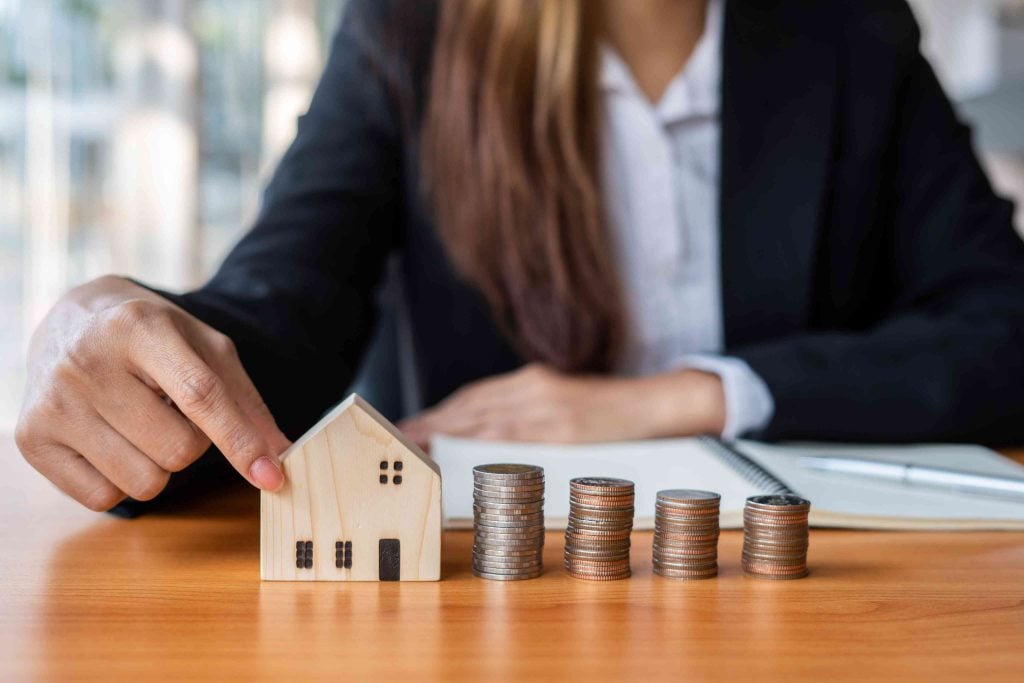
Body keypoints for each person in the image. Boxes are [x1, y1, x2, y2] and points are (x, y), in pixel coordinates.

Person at [15, 0, 1024, 513]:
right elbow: (285, 307)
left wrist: (691, 394)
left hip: (808, 599)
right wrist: (136, 334)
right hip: (491, 601)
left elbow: (1002, 326)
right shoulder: (412, 30)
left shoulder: (850, 32)